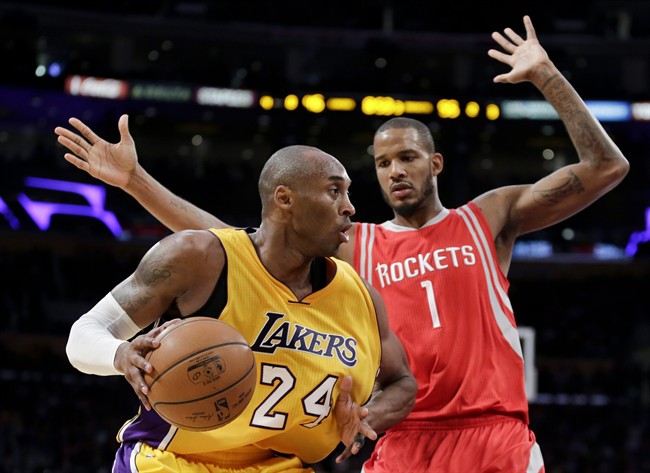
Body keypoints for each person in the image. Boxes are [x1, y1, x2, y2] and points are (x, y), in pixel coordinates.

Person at [56, 15, 630, 473]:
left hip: (493, 430)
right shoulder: (358, 250)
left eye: (407, 157)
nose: (394, 172)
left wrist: (546, 74)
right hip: (399, 438)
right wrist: (137, 183)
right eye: (381, 163)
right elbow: (237, 246)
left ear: (435, 163)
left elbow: (606, 166)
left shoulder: (490, 217)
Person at [64, 144, 417, 472]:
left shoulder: (361, 297)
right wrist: (120, 354)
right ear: (284, 198)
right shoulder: (199, 258)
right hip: (171, 460)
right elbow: (84, 334)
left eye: (348, 193)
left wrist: (366, 414)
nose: (349, 207)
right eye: (334, 191)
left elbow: (402, 381)